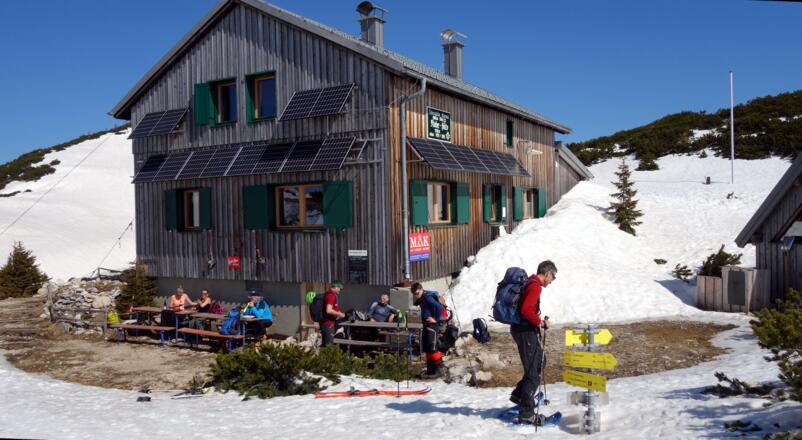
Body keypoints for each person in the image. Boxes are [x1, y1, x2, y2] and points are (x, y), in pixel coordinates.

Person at [510, 260, 557, 425]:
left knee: (540, 362)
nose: (552, 281)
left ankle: (519, 394)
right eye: (553, 277)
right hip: (524, 332)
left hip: (523, 330)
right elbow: (525, 309)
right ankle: (526, 414)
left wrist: (537, 321)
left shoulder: (531, 283)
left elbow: (526, 308)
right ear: (547, 273)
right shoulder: (535, 286)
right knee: (533, 373)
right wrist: (539, 322)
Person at [412, 282, 444, 379]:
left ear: (421, 289)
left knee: (433, 348)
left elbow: (439, 307)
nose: (416, 295)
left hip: (432, 325)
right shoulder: (421, 298)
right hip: (426, 325)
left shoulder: (427, 297)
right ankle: (430, 371)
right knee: (427, 348)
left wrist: (436, 319)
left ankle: (437, 371)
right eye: (415, 294)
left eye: (417, 293)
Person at [321, 281, 346, 347]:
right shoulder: (331, 296)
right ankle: (328, 357)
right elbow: (328, 310)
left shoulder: (328, 294)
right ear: (336, 287)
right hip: (328, 324)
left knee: (325, 345)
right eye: (340, 289)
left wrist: (341, 313)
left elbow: (333, 309)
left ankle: (323, 356)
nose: (340, 291)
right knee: (329, 346)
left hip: (326, 324)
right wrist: (339, 314)